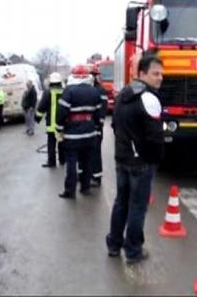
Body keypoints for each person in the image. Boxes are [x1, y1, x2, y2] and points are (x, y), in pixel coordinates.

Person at [106, 52, 164, 265]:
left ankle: (113, 244)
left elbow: (114, 124)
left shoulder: (122, 94)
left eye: (161, 74)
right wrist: (155, 159)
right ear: (142, 74)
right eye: (155, 74)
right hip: (141, 163)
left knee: (121, 202)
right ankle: (133, 251)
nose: (160, 78)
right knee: (137, 207)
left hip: (122, 159)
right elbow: (155, 136)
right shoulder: (149, 98)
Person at [56, 64, 102, 199]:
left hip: (72, 134)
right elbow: (98, 114)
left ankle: (70, 191)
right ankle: (85, 187)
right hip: (89, 133)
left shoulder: (69, 91)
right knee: (87, 162)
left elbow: (61, 113)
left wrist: (59, 129)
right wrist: (97, 128)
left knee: (71, 163)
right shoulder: (94, 91)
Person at [36, 72, 66, 168]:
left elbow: (42, 107)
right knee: (61, 143)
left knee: (51, 144)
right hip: (62, 124)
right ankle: (62, 160)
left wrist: (37, 118)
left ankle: (52, 162)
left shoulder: (48, 92)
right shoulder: (65, 92)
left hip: (51, 124)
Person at [89, 64, 108, 187]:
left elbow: (103, 109)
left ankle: (96, 178)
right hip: (89, 125)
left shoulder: (100, 90)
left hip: (96, 126)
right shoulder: (90, 89)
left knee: (95, 152)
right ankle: (89, 175)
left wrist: (99, 124)